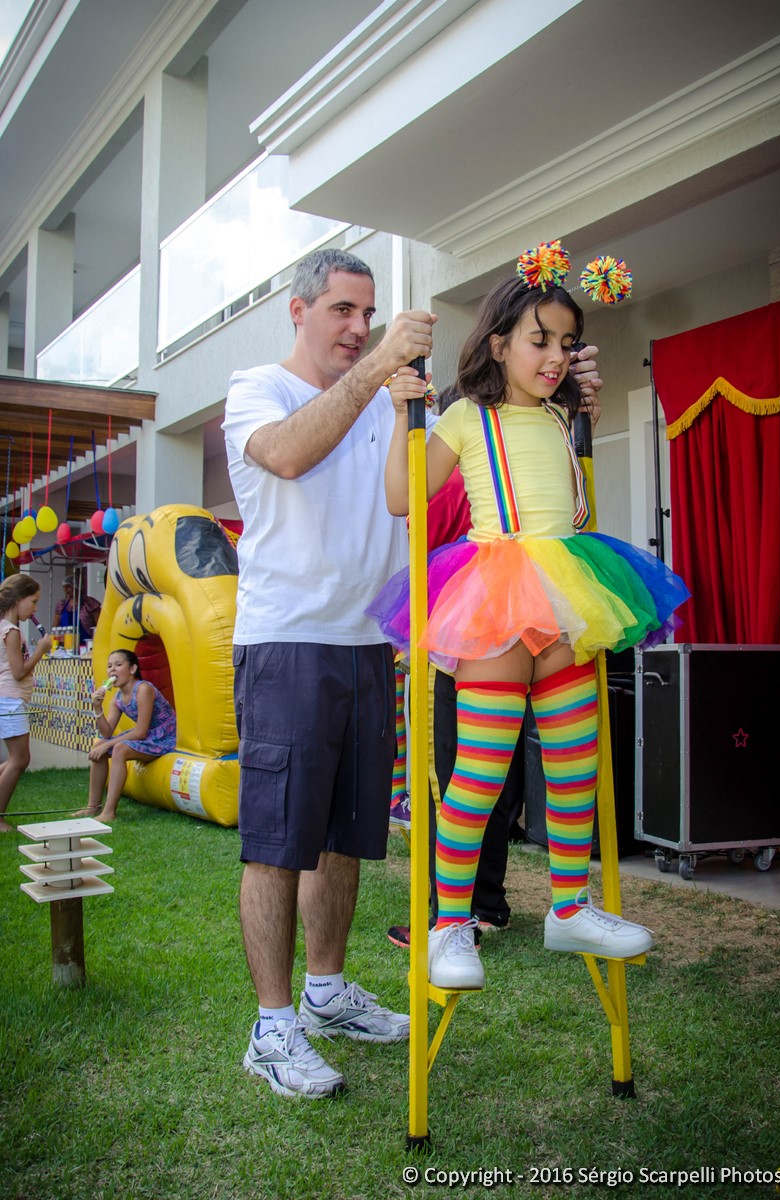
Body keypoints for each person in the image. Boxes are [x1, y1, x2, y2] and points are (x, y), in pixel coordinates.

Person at [367, 254, 690, 989]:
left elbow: (572, 495)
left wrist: (584, 403)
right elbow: (401, 498)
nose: (554, 357)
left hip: (567, 595)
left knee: (576, 765)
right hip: (495, 600)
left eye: (565, 343)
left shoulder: (565, 416)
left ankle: (568, 907)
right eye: (538, 340)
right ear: (498, 344)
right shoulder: (463, 416)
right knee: (479, 775)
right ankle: (451, 924)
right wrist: (397, 415)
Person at [222, 247, 436, 1100]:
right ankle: (272, 1029)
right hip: (287, 641)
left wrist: (558, 392)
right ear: (299, 309)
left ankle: (326, 992)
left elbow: (422, 486)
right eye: (343, 310)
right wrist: (377, 369)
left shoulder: (387, 397)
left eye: (368, 314)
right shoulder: (258, 389)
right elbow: (285, 455)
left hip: (368, 641)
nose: (358, 327)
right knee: (279, 844)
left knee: (346, 838)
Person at [75, 649, 176, 823]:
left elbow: (140, 731)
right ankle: (93, 806)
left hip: (165, 736)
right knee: (99, 745)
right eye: (109, 666)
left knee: (119, 749)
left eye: (118, 664)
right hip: (148, 736)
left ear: (132, 669)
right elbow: (107, 732)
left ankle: (109, 812)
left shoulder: (143, 689)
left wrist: (109, 745)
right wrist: (97, 708)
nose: (112, 669)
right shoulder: (117, 698)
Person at [0, 575, 52, 832]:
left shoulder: (6, 627)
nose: (35, 608)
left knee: (16, 759)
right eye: (33, 601)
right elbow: (19, 672)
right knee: (20, 760)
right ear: (18, 599)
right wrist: (41, 650)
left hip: (9, 699)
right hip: (10, 699)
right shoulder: (11, 631)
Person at [54, 575, 101, 643]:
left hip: (86, 645)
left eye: (68, 587)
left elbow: (100, 626)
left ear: (76, 587)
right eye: (64, 587)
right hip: (65, 645)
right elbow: (55, 627)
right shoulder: (61, 605)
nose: (65, 590)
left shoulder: (90, 604)